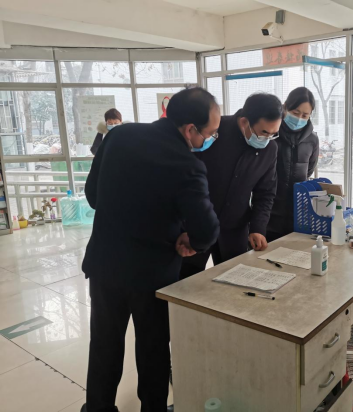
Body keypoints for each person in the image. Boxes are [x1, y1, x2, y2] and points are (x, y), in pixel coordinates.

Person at [81, 88, 221, 413]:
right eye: (210, 133)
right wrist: (190, 240)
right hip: (153, 275)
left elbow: (92, 195)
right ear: (190, 129)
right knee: (153, 348)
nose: (210, 140)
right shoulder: (187, 165)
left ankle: (98, 408)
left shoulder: (119, 136)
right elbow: (207, 230)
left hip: (105, 265)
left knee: (104, 344)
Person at [180, 93, 282, 279]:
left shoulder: (270, 149)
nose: (267, 139)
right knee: (185, 281)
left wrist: (258, 228)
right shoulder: (212, 132)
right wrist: (184, 224)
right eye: (263, 132)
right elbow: (185, 178)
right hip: (195, 225)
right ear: (244, 122)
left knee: (234, 283)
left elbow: (265, 193)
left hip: (234, 229)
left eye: (273, 134)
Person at [266, 87, 319, 242]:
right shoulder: (271, 134)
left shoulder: (312, 140)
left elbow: (309, 170)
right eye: (295, 113)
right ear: (285, 107)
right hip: (269, 211)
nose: (299, 118)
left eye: (305, 115)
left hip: (299, 212)